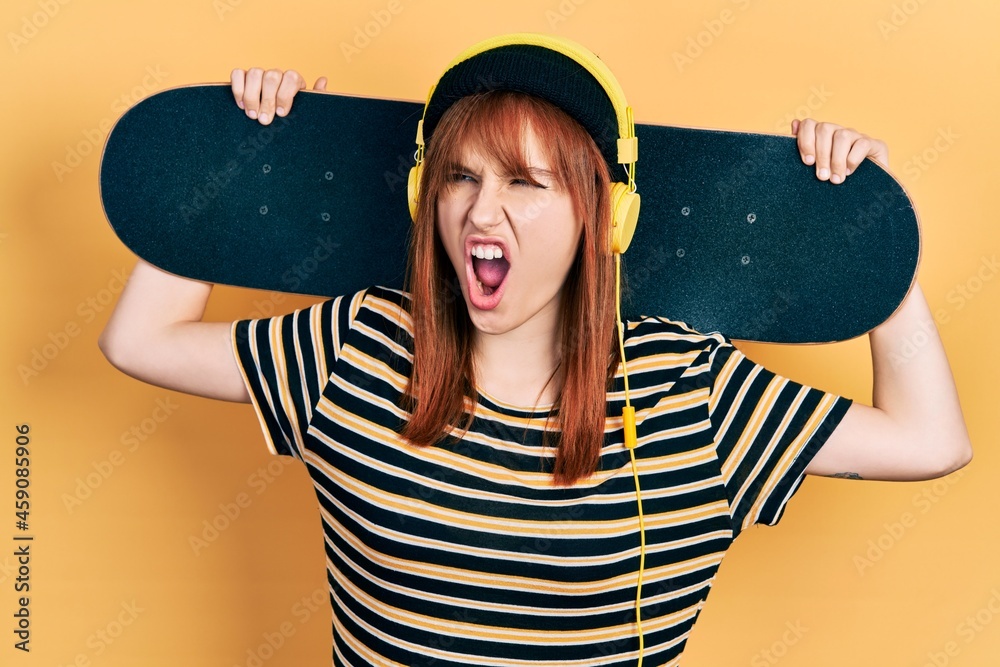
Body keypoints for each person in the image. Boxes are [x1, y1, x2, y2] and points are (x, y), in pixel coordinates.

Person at [100, 34, 971, 667]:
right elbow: (140, 340)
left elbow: (931, 439)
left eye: (524, 182)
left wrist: (869, 236)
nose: (482, 213)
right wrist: (234, 164)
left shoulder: (688, 389)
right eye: (461, 176)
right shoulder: (359, 345)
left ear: (604, 216)